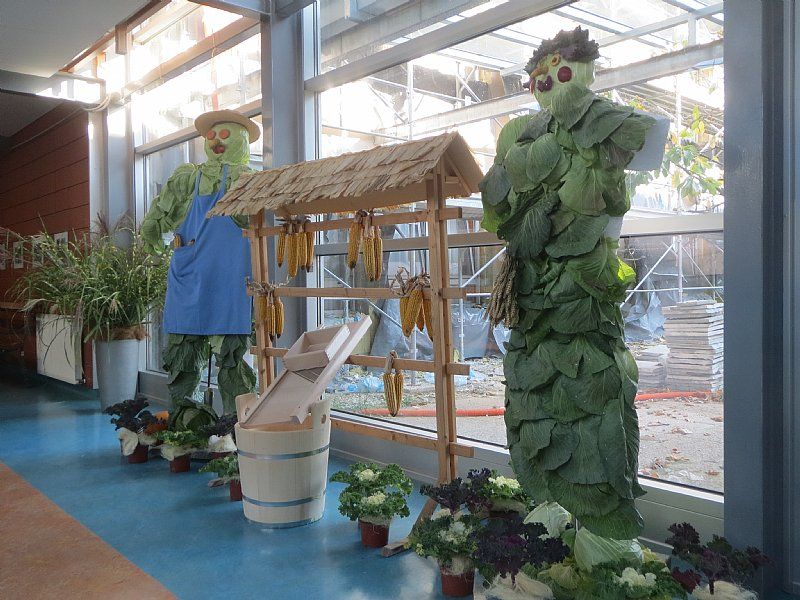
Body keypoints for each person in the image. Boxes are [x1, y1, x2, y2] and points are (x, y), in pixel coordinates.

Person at [141, 110, 259, 415]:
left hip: (229, 281)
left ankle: (237, 425)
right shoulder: (188, 179)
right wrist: (154, 239)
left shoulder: (248, 181)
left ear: (241, 140)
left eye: (225, 135)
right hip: (190, 278)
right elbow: (157, 219)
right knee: (183, 354)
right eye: (212, 136)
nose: (218, 142)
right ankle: (185, 420)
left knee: (232, 358)